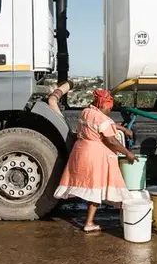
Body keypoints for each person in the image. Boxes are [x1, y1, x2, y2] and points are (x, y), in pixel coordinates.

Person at [53, 89, 138, 232]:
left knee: (88, 185)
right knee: (95, 189)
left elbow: (102, 122)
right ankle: (89, 223)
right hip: (94, 156)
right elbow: (111, 140)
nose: (109, 111)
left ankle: (88, 221)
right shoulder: (102, 118)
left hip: (81, 151)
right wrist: (127, 153)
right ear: (103, 105)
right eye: (109, 108)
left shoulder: (86, 112)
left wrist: (122, 129)